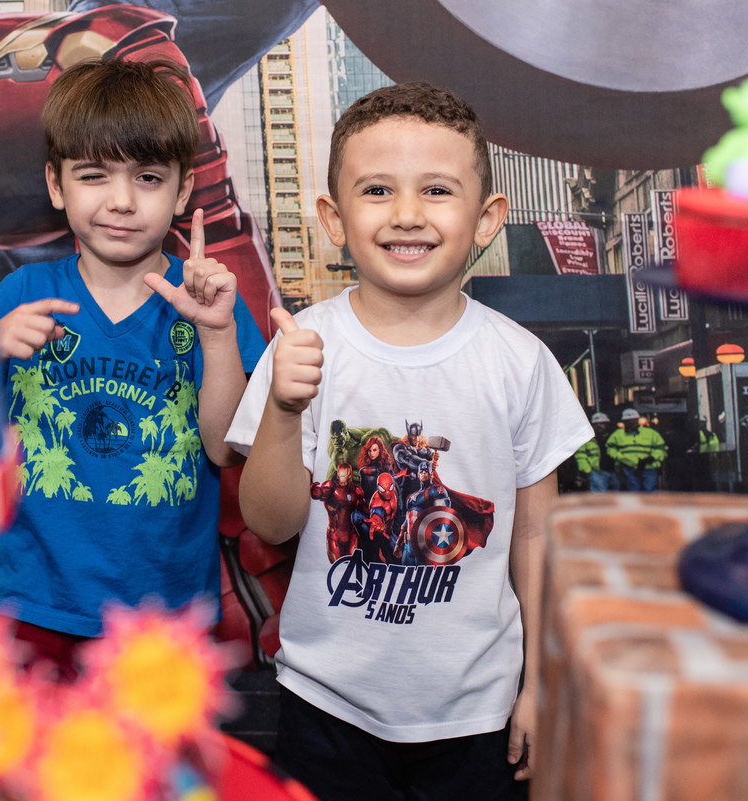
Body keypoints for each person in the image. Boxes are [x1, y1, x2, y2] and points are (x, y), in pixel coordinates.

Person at [225, 82, 592, 801]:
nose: (407, 214)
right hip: (324, 705)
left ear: (486, 218)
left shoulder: (519, 362)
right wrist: (283, 405)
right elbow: (271, 522)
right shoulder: (304, 346)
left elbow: (540, 543)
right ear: (333, 217)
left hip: (479, 715)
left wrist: (542, 685)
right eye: (377, 189)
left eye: (436, 190)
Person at [0, 59, 267, 674]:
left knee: (158, 773)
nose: (120, 201)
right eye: (93, 175)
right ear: (57, 186)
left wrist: (216, 335)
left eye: (146, 177)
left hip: (164, 622)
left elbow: (225, 450)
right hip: (33, 604)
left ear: (183, 190)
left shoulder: (212, 301)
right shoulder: (20, 295)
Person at [605, 408, 667, 492]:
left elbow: (661, 448)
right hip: (628, 468)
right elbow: (610, 448)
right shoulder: (617, 434)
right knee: (633, 492)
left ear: (637, 420)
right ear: (624, 422)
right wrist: (622, 458)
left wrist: (652, 457)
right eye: (628, 421)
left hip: (648, 467)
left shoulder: (651, 433)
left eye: (633, 420)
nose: (631, 422)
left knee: (649, 491)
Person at [575, 412, 617, 491]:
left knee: (615, 497)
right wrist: (587, 470)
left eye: (601, 423)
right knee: (600, 498)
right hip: (597, 472)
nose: (599, 426)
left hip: (614, 471)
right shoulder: (587, 440)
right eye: (596, 424)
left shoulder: (614, 437)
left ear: (607, 424)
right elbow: (580, 456)